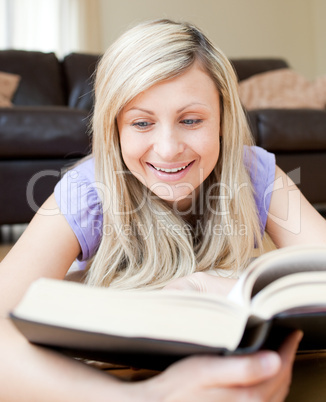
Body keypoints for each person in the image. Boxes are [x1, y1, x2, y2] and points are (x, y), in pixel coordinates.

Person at [0, 19, 325, 401]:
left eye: (191, 120)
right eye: (141, 122)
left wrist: (225, 290)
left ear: (222, 118)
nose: (168, 149)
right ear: (114, 129)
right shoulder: (89, 191)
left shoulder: (253, 172)